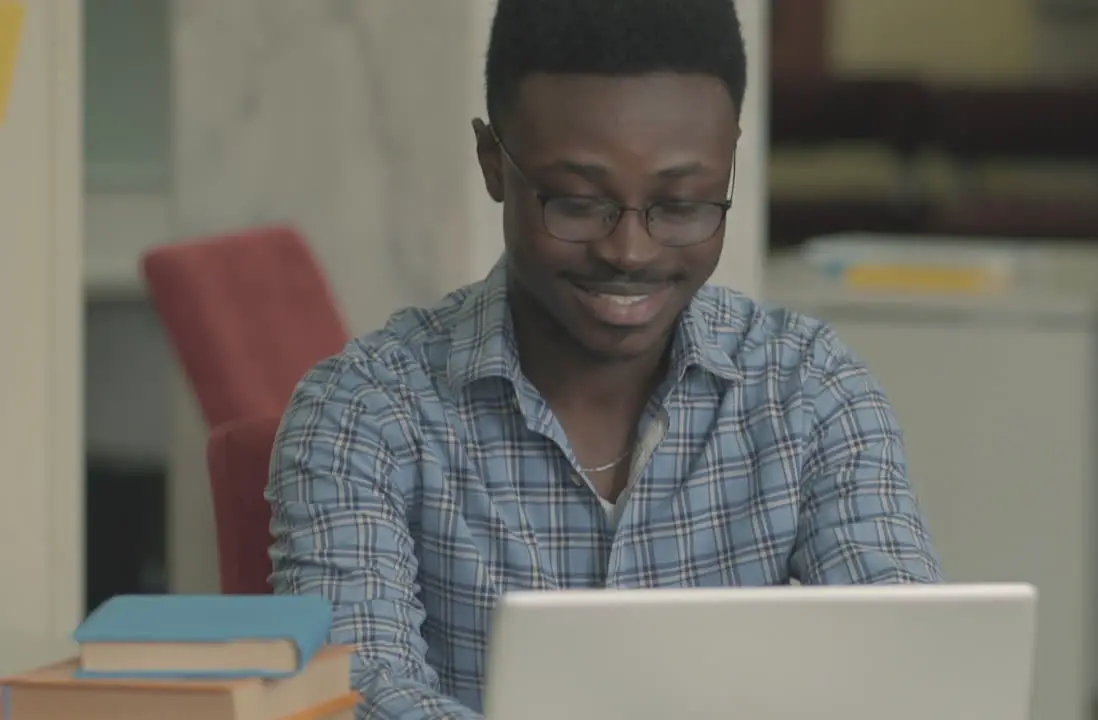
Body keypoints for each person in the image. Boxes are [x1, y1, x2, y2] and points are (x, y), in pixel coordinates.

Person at [267, 0, 941, 717]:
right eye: (579, 203)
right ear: (494, 162)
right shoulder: (364, 411)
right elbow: (355, 689)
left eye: (682, 204)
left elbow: (905, 665)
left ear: (729, 163)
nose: (630, 252)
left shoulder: (809, 389)